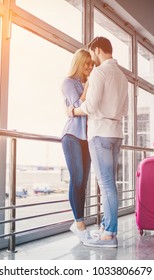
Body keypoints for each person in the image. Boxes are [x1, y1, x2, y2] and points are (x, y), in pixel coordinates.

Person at [69, 37, 128, 248]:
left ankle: (108, 235)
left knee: (106, 184)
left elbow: (90, 106)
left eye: (92, 54)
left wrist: (73, 111)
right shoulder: (122, 76)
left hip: (100, 132)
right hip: (116, 132)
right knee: (109, 182)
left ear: (97, 49)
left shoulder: (100, 73)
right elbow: (124, 109)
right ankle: (105, 228)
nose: (91, 59)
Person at [61, 49, 94, 243]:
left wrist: (74, 110)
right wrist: (89, 85)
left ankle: (79, 223)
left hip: (88, 138)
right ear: (78, 63)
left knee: (84, 181)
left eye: (91, 64)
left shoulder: (90, 83)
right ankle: (79, 223)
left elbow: (82, 109)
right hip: (72, 135)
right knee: (77, 177)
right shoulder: (68, 82)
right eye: (86, 64)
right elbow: (77, 105)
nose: (90, 67)